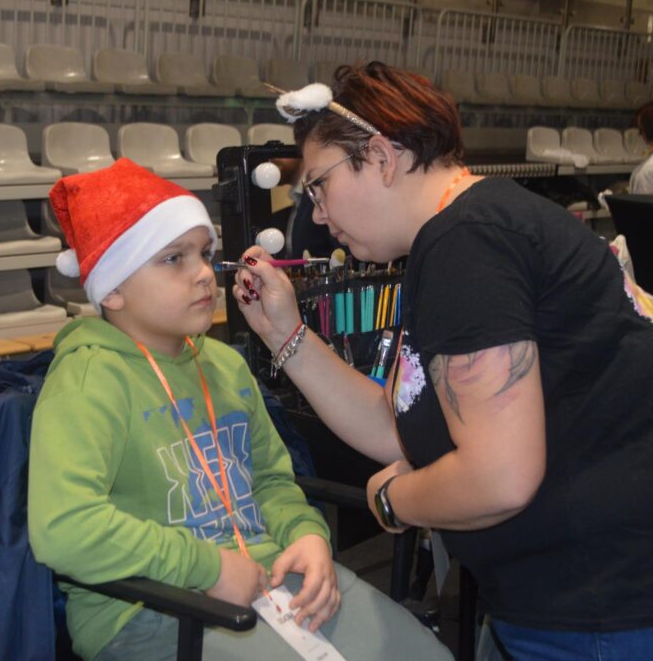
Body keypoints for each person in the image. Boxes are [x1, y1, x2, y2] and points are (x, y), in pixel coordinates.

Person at [231, 63, 653, 660]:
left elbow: (499, 477)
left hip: (630, 610)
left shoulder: (466, 244)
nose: (318, 214)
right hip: (611, 601)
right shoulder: (465, 233)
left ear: (381, 157)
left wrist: (395, 499)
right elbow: (400, 423)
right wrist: (286, 334)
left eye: (319, 186)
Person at [27, 158, 452, 661]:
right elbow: (65, 529)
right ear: (113, 289)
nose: (203, 274)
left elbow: (270, 481)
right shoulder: (87, 381)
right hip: (149, 611)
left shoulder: (224, 365)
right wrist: (208, 569)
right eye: (173, 259)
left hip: (268, 575)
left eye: (204, 255)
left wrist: (307, 536)